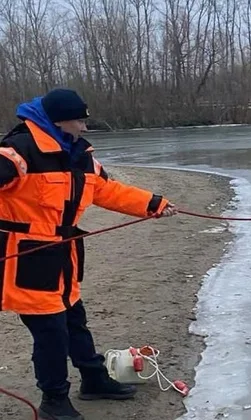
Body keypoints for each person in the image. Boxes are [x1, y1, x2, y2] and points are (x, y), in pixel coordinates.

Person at [0, 88, 178, 420]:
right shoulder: (17, 151)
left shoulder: (80, 154)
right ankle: (54, 400)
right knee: (50, 333)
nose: (84, 127)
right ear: (58, 121)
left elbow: (106, 190)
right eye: (79, 121)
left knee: (73, 319)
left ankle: (93, 379)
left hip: (64, 254)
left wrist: (153, 204)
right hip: (28, 258)